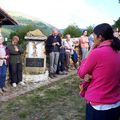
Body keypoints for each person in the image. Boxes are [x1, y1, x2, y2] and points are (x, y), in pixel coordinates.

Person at [77, 23, 120, 120]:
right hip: (116, 103)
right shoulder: (117, 52)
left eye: (94, 35)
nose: (93, 37)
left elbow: (81, 73)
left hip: (99, 106)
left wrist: (90, 51)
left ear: (100, 37)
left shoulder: (97, 52)